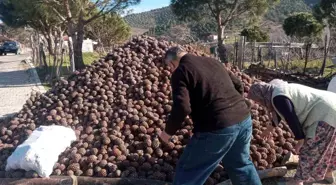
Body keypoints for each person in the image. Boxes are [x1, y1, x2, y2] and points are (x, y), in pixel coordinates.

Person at [159, 46, 262, 185]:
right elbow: (238, 84)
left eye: (169, 67)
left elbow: (182, 107)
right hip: (244, 119)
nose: (171, 70)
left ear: (172, 63)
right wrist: (235, 105)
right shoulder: (212, 61)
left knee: (188, 172)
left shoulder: (181, 71)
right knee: (240, 165)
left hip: (217, 127)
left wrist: (167, 132)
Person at [247, 79, 336, 185]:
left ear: (260, 95)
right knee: (330, 147)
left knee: (309, 150)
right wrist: (271, 127)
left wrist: (300, 140)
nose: (259, 103)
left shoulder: (278, 98)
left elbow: (291, 118)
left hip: (324, 115)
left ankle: (297, 181)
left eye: (257, 100)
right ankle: (328, 174)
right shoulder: (277, 90)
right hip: (332, 106)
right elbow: (283, 110)